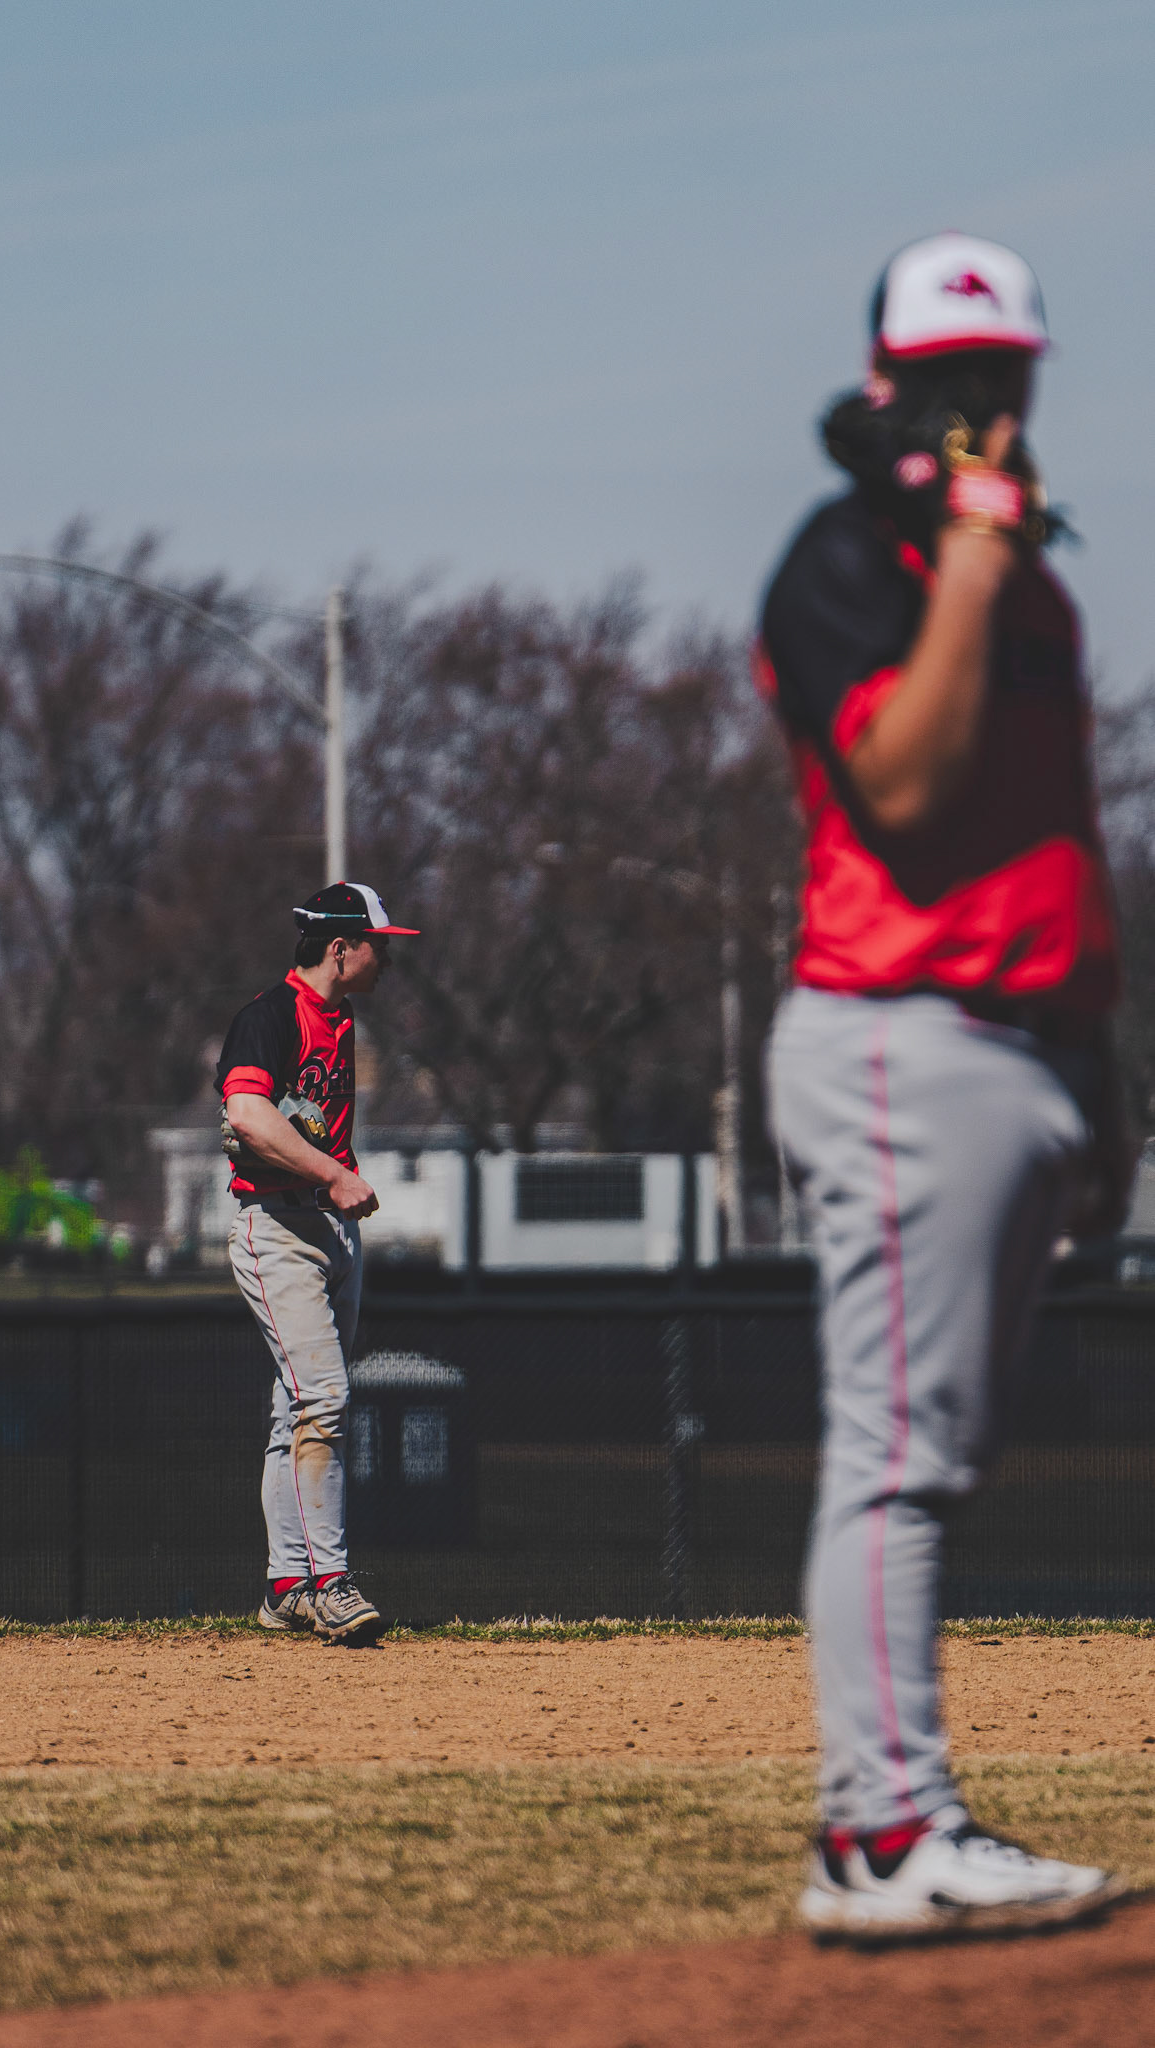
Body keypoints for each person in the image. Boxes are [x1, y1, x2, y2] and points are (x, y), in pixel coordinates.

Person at [759, 233, 1132, 1941]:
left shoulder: (1023, 574)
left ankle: (892, 1824)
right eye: (946, 374)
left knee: (938, 1453)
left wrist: (1099, 1079)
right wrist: (971, 557)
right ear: (886, 379)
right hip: (902, 1029)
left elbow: (1052, 839)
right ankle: (878, 1835)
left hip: (1022, 1041)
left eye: (1001, 372)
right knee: (896, 1453)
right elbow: (899, 791)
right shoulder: (849, 555)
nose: (978, 401)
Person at [216, 882, 420, 1644]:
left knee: (297, 1411)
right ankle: (331, 1583)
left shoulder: (340, 1016)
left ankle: (286, 1589)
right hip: (278, 1228)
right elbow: (246, 1113)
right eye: (378, 945)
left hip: (329, 1228)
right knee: (326, 1399)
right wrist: (331, 1172)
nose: (387, 959)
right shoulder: (270, 1015)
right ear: (340, 949)